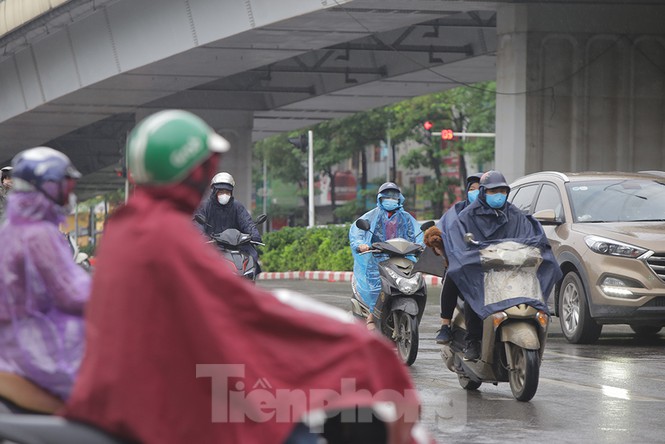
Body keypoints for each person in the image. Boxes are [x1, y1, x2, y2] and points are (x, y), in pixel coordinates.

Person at [63, 110, 423, 444]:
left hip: (148, 383)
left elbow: (230, 295)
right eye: (208, 169)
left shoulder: (131, 226)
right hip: (167, 401)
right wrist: (356, 345)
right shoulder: (166, 237)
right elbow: (242, 313)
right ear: (193, 173)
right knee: (290, 426)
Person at [441, 170, 561, 361]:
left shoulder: (515, 214)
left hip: (510, 269)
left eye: (502, 191)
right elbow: (458, 242)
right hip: (482, 270)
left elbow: (528, 236)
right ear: (483, 192)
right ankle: (473, 341)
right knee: (474, 291)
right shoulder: (466, 216)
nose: (499, 195)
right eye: (493, 190)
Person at [0, 147, 90, 402]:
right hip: (39, 350)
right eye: (65, 185)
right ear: (48, 187)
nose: (69, 194)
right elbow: (74, 294)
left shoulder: (13, 228)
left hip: (15, 344)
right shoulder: (39, 234)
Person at [349, 182, 422, 331]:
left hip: (401, 258)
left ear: (400, 199)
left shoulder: (406, 218)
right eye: (387, 196)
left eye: (394, 196)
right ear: (380, 198)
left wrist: (423, 245)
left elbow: (417, 233)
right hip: (376, 260)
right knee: (376, 286)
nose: (391, 199)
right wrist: (361, 244)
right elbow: (357, 233)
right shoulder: (370, 217)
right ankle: (371, 314)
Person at [427, 173, 482, 344]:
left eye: (481, 189)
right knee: (453, 273)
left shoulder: (501, 213)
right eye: (472, 189)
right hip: (463, 264)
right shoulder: (458, 211)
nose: (476, 192)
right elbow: (440, 231)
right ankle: (445, 325)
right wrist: (441, 245)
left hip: (492, 264)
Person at [193, 171, 262, 275]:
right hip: (212, 246)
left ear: (231, 192)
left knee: (252, 256)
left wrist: (254, 235)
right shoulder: (205, 206)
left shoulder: (237, 206)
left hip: (236, 246)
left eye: (227, 192)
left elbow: (247, 222)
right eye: (221, 191)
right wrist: (203, 237)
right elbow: (197, 225)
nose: (224, 194)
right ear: (214, 192)